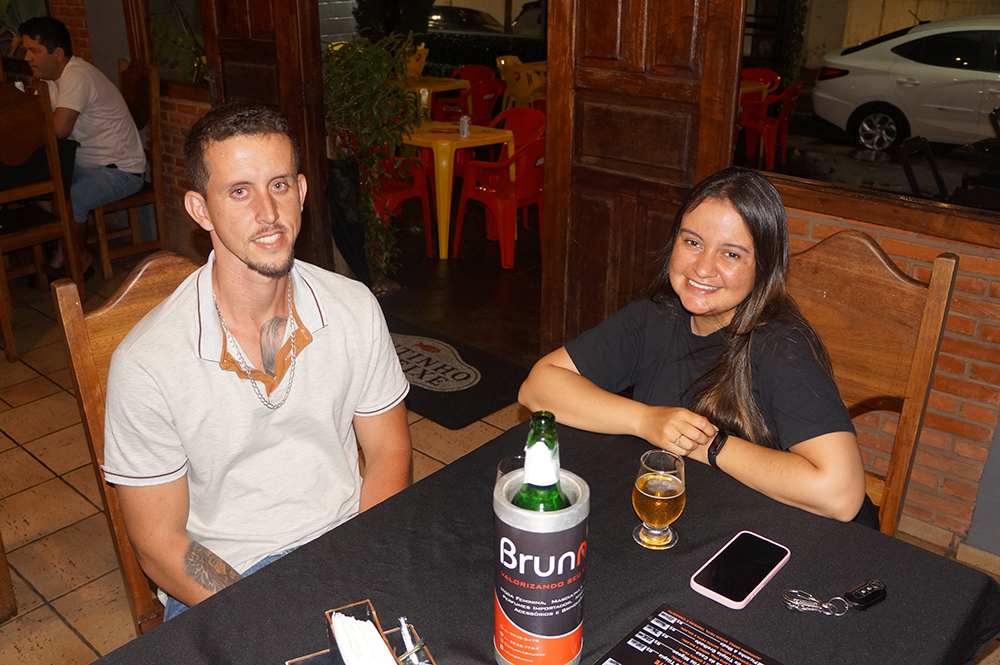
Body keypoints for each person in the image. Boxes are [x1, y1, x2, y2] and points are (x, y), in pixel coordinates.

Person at [101, 102, 413, 619]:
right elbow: (158, 544)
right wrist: (267, 614)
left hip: (346, 538)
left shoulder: (353, 307)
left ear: (302, 192)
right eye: (239, 192)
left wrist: (362, 560)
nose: (268, 213)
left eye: (279, 185)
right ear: (201, 210)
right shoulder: (147, 363)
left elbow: (388, 450)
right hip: (227, 580)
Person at [519, 167, 877, 527]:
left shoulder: (780, 346)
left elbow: (840, 496)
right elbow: (538, 388)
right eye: (692, 242)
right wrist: (645, 420)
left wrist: (706, 444)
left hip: (782, 534)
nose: (703, 268)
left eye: (731, 254)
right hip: (703, 515)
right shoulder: (654, 317)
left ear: (764, 267)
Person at [19, 16, 146, 273]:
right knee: (31, 187)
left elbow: (60, 129)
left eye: (34, 51)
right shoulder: (50, 81)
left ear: (57, 53)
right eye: (26, 51)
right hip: (86, 165)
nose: (27, 58)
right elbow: (33, 121)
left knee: (71, 200)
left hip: (121, 170)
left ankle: (79, 259)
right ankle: (63, 252)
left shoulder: (77, 75)